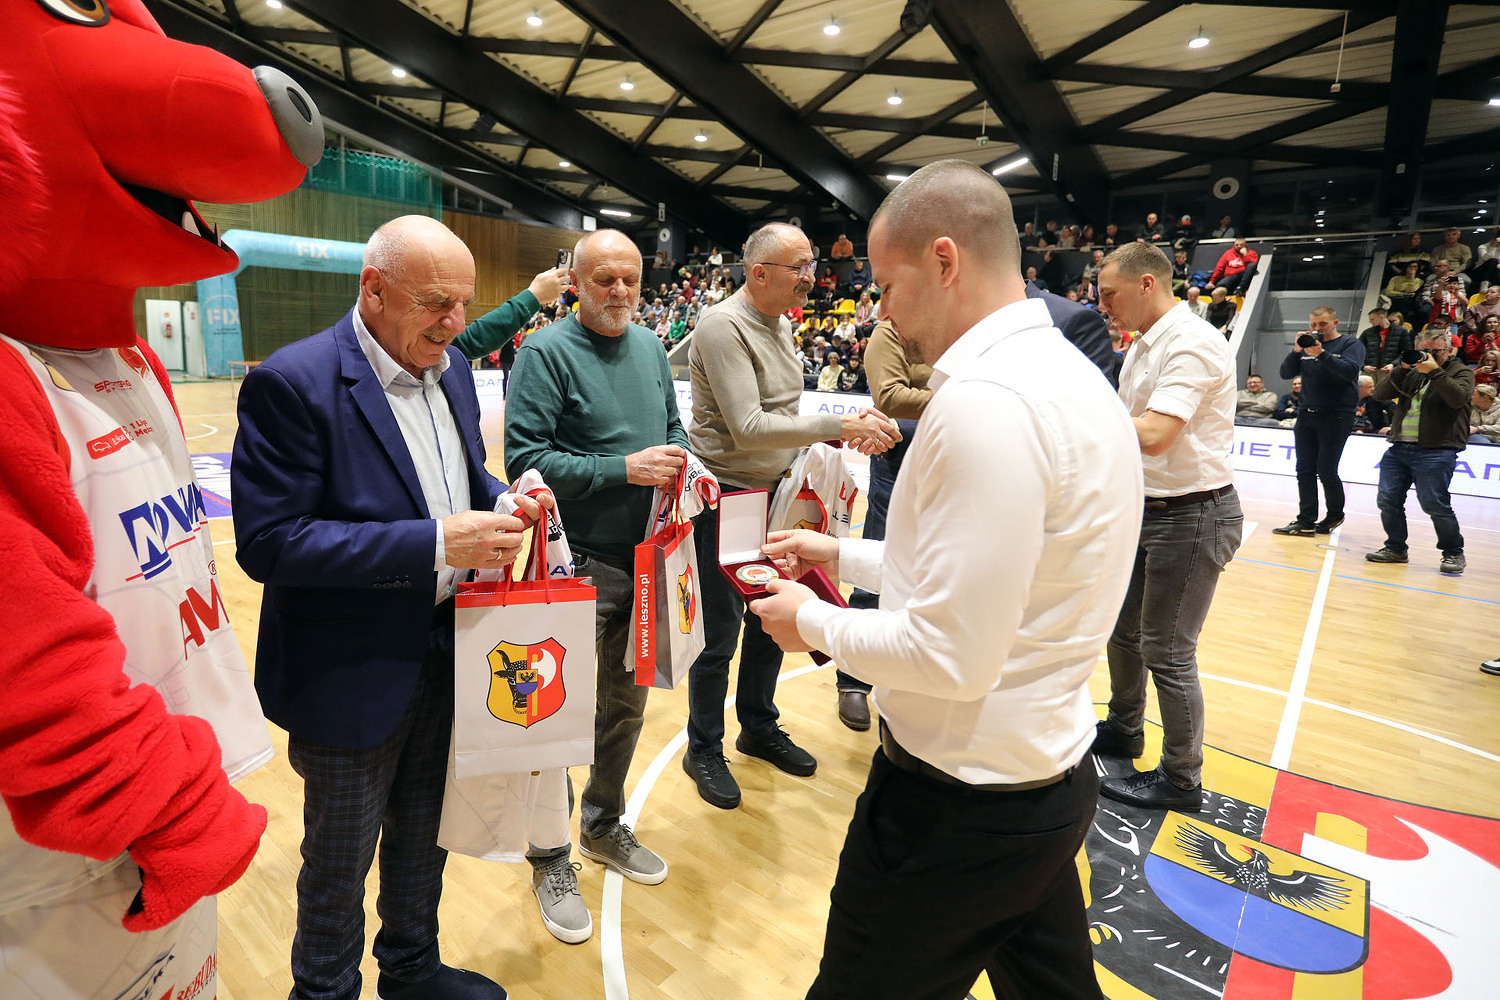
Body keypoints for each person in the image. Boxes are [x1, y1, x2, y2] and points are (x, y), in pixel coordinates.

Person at [751, 158, 1139, 1000]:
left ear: (944, 260)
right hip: (1042, 781)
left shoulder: (987, 403)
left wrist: (808, 622)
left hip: (956, 811)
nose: (879, 311)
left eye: (887, 287)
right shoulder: (1074, 377)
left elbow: (949, 654)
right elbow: (1000, 578)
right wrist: (841, 558)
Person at [233, 216, 525, 1000]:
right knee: (340, 860)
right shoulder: (293, 382)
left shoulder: (451, 370)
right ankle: (323, 991)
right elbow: (270, 544)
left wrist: (506, 499)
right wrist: (434, 542)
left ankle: (411, 969)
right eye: (436, 303)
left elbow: (464, 478)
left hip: (447, 643)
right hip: (350, 669)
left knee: (425, 831)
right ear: (373, 290)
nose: (456, 323)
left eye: (464, 304)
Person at [502, 229, 688, 943]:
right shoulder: (544, 352)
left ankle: (603, 824)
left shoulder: (650, 348)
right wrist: (622, 470)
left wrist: (685, 464)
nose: (619, 292)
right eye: (605, 279)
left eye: (630, 280)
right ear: (574, 282)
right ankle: (549, 855)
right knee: (554, 718)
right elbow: (525, 460)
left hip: (645, 562)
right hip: (573, 565)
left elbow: (672, 429)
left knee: (625, 710)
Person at [683, 222, 899, 809]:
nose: (812, 276)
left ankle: (757, 726)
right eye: (799, 266)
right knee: (719, 632)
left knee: (774, 619)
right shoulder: (723, 326)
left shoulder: (780, 322)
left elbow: (781, 418)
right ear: (759, 273)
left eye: (811, 264)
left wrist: (828, 440)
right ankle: (703, 747)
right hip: (727, 497)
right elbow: (749, 428)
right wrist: (838, 425)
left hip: (779, 492)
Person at [1093, 241, 1241, 811]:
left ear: (1147, 284)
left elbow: (1154, 434)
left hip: (1192, 512)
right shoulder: (1145, 342)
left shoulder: (1191, 342)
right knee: (1122, 631)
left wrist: (1074, 412)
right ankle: (1124, 728)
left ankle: (1182, 780)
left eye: (1110, 294)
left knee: (1169, 651)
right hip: (1148, 507)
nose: (1104, 305)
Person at [835, 319, 932, 730]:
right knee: (874, 572)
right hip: (898, 456)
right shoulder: (892, 330)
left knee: (936, 574)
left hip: (955, 455)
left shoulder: (962, 324)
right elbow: (891, 398)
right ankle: (853, 679)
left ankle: (913, 677)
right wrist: (972, 396)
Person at [1364, 331, 1474, 575]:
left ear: (1449, 351)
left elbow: (1458, 399)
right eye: (1425, 351)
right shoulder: (1413, 373)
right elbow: (1380, 394)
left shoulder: (1461, 372)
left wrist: (1435, 371)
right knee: (1387, 500)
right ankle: (1395, 548)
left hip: (1437, 449)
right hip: (1399, 447)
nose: (1429, 355)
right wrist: (1402, 368)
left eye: (1436, 351)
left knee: (1434, 503)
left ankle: (1453, 552)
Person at [1273, 307, 1365, 536]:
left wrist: (1321, 354)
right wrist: (1297, 350)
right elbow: (1285, 373)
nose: (1317, 329)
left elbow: (1349, 371)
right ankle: (1305, 520)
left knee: (1326, 468)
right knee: (1304, 469)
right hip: (1306, 412)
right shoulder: (1306, 346)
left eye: (1322, 324)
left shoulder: (1350, 344)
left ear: (1335, 322)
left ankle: (1335, 514)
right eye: (1313, 324)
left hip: (1337, 414)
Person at [1360, 306, 1414, 372]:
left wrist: (1393, 364)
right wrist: (1363, 366)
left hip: (1390, 370)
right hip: (1370, 369)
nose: (1370, 321)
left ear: (1381, 317)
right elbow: (1358, 350)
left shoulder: (1401, 331)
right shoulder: (1367, 333)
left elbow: (1407, 352)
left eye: (1372, 319)